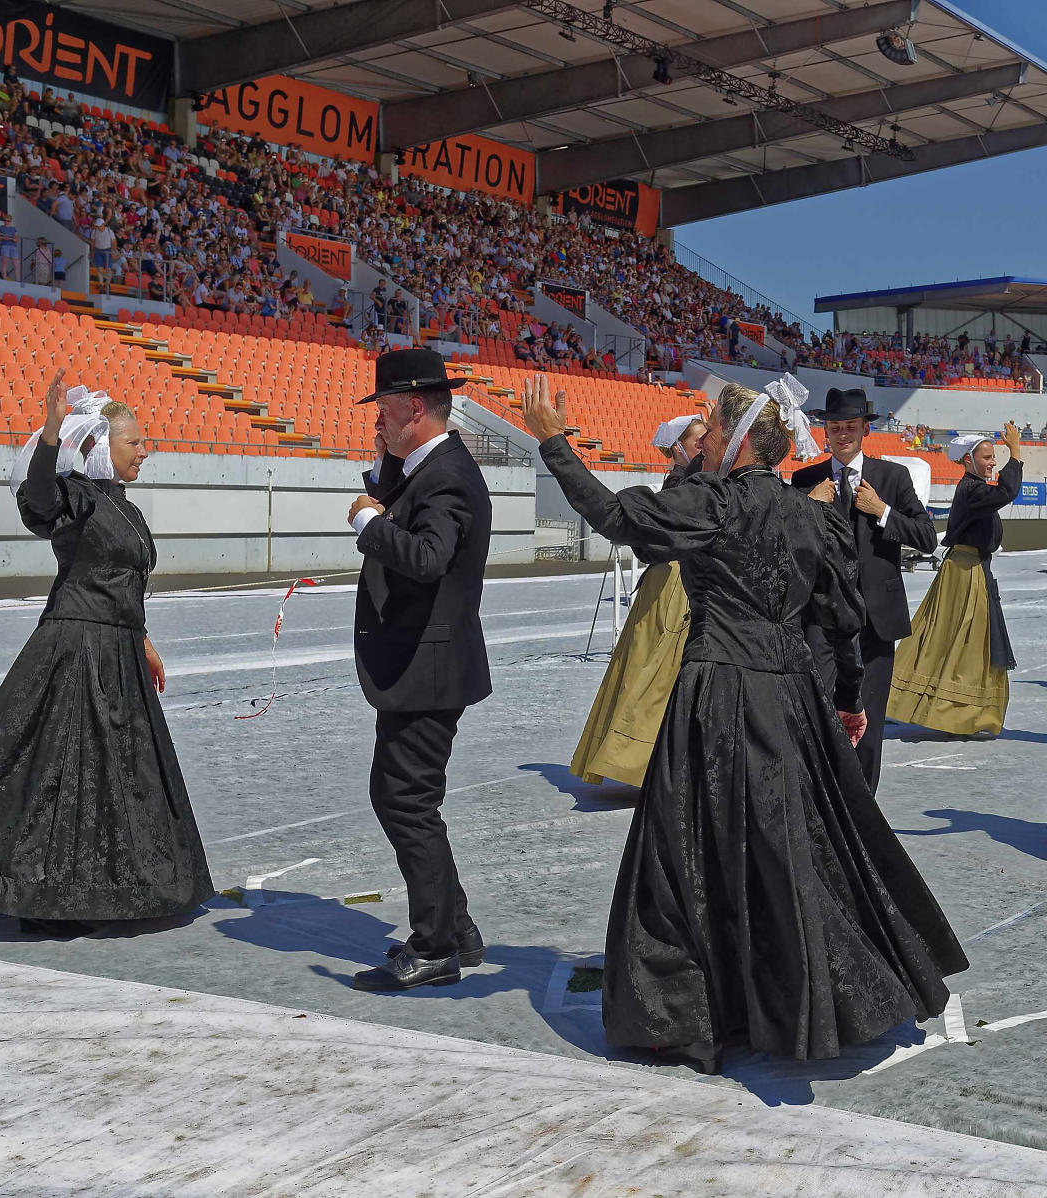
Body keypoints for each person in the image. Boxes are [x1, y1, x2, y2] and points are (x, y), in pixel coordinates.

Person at [521, 373, 966, 1075]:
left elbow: (615, 517)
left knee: (688, 850)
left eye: (713, 430)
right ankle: (813, 995)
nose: (705, 441)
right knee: (795, 845)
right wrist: (848, 699)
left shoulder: (712, 504)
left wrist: (553, 441)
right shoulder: (810, 514)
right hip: (792, 697)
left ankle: (695, 1011)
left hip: (719, 692)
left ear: (737, 442)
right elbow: (843, 619)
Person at [0, 373, 211, 935]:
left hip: (117, 650)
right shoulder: (75, 497)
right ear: (100, 446)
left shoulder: (125, 508)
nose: (146, 449)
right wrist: (49, 434)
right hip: (74, 652)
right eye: (134, 441)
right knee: (61, 774)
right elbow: (36, 498)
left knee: (114, 774)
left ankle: (106, 887)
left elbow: (121, 584)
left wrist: (142, 639)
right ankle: (46, 897)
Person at [344, 348, 493, 992]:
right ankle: (453, 927)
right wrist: (384, 487)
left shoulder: (448, 475)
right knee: (403, 796)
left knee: (407, 801)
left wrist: (370, 523)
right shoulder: (425, 469)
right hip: (418, 664)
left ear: (412, 407)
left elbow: (429, 558)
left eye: (382, 410)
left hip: (429, 667)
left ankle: (437, 943)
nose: (376, 421)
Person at [789, 387, 937, 795]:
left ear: (865, 429)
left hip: (877, 618)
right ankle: (819, 797)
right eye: (834, 427)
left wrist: (883, 511)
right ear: (825, 430)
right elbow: (787, 543)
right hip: (820, 616)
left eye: (850, 427)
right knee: (819, 709)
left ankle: (863, 807)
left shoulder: (893, 477)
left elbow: (927, 538)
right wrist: (809, 510)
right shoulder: (804, 480)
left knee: (869, 720)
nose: (842, 435)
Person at [570, 414, 707, 788]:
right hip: (675, 584)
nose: (704, 445)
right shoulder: (687, 483)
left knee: (655, 669)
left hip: (670, 580)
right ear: (677, 448)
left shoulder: (682, 480)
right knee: (659, 671)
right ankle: (645, 760)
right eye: (697, 440)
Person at [887, 424, 1023, 737]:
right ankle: (955, 714)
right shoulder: (972, 489)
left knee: (962, 642)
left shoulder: (974, 488)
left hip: (970, 570)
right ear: (966, 461)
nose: (992, 462)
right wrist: (1015, 453)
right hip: (965, 574)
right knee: (965, 643)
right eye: (987, 457)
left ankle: (957, 712)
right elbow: (1007, 492)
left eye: (994, 456)